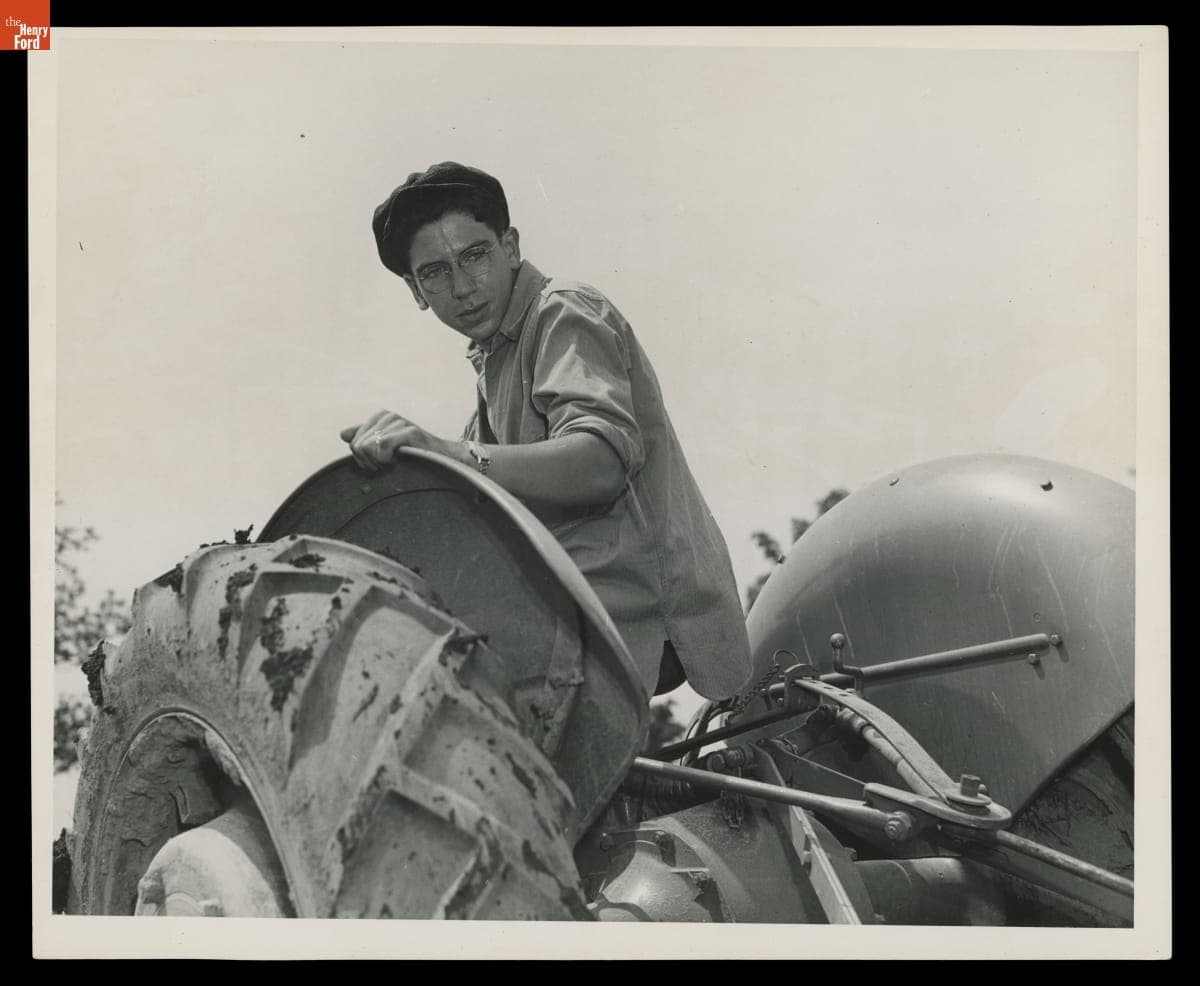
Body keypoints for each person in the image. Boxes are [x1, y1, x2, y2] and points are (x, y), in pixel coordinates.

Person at [342, 162, 752, 703]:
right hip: (570, 615)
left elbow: (601, 459)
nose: (463, 287)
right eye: (436, 273)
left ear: (510, 247)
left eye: (475, 255)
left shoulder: (562, 311)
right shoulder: (494, 361)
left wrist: (453, 455)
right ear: (416, 291)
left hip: (641, 616)